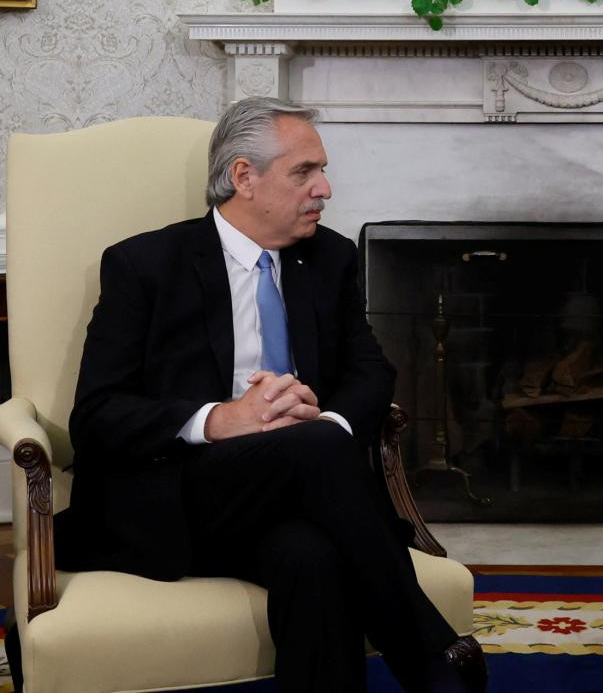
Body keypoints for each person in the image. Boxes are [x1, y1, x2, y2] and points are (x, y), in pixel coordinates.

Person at [57, 97, 473, 692]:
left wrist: (323, 415)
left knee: (313, 558)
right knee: (321, 450)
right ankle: (432, 661)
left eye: (322, 170)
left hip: (294, 494)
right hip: (177, 490)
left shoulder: (329, 257)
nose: (324, 188)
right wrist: (218, 420)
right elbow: (96, 418)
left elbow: (370, 372)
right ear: (243, 177)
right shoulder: (145, 264)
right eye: (304, 171)